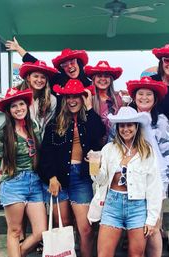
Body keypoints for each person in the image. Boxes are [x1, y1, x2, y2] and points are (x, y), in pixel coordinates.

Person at [38, 79, 105, 257]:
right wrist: (51, 177)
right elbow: (46, 153)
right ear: (64, 99)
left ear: (83, 98)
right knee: (64, 226)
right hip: (58, 179)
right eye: (69, 97)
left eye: (77, 96)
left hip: (81, 178)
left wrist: (90, 109)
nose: (72, 100)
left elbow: (99, 133)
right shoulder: (54, 124)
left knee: (86, 229)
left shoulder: (88, 120)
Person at [0, 87, 47, 257]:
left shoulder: (34, 126)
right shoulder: (5, 131)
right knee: (15, 231)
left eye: (21, 104)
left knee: (40, 231)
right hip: (13, 183)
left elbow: (42, 153)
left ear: (26, 105)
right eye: (13, 106)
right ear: (8, 111)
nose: (19, 109)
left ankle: (18, 253)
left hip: (35, 182)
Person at [93, 106, 163, 257]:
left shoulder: (147, 151)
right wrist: (95, 168)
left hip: (137, 206)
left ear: (136, 126)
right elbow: (101, 180)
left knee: (136, 254)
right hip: (112, 204)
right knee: (104, 254)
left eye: (129, 125)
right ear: (117, 128)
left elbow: (154, 186)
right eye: (122, 125)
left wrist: (152, 218)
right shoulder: (108, 149)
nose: (126, 129)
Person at [127, 76, 169, 257]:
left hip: (155, 179)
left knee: (154, 225)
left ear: (155, 98)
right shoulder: (127, 118)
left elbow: (168, 155)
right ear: (134, 96)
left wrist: (164, 184)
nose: (144, 97)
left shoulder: (161, 121)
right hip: (132, 179)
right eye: (141, 94)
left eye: (149, 94)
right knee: (136, 226)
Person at [5, 37, 91, 87]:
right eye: (64, 65)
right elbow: (37, 65)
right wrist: (19, 48)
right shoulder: (57, 80)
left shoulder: (90, 83)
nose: (69, 66)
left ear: (79, 63)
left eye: (72, 62)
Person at [84, 60, 123, 144]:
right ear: (94, 79)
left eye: (106, 76)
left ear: (111, 79)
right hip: (94, 146)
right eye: (99, 76)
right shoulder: (87, 98)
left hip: (116, 145)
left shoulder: (118, 98)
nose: (103, 79)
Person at [18, 60, 58, 137]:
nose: (39, 80)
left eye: (43, 77)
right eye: (36, 76)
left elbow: (46, 126)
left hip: (40, 142)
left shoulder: (52, 100)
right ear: (28, 78)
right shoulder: (17, 96)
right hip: (20, 142)